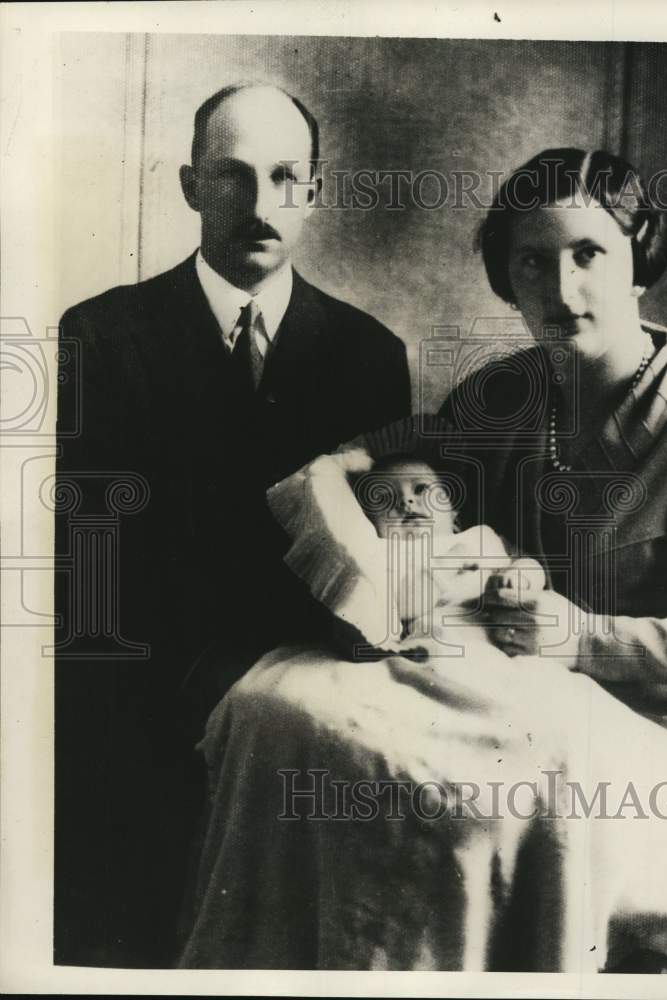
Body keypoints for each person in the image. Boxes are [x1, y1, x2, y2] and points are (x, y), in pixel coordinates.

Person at [54, 83, 411, 967]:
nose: (260, 206)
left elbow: (372, 567)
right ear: (187, 185)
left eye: (285, 178)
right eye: (232, 177)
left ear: (315, 192)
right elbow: (89, 572)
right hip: (137, 707)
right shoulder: (102, 336)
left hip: (302, 712)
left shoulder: (369, 355)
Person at [438, 147, 667, 969]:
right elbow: (417, 490)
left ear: (638, 262)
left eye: (589, 255)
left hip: (648, 741)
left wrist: (583, 638)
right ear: (506, 278)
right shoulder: (499, 397)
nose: (560, 290)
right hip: (510, 707)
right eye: (532, 263)